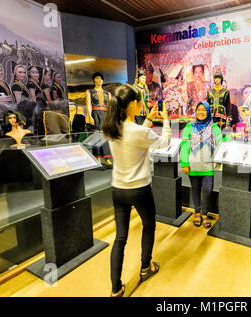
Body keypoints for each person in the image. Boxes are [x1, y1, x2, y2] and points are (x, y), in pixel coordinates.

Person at [102, 84, 170, 297]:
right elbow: (164, 142)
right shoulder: (140, 132)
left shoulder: (111, 128)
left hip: (118, 189)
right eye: (139, 101)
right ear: (132, 104)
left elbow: (135, 134)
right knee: (149, 225)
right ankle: (145, 267)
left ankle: (115, 288)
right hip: (139, 189)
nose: (141, 104)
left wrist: (148, 119)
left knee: (120, 238)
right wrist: (166, 119)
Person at [180, 101, 223, 229]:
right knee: (195, 190)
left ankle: (205, 213)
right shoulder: (189, 126)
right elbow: (184, 145)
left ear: (208, 111)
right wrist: (184, 162)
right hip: (193, 164)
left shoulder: (214, 127)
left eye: (204, 110)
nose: (201, 112)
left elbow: (220, 141)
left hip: (208, 165)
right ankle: (197, 212)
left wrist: (232, 137)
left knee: (208, 190)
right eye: (199, 109)